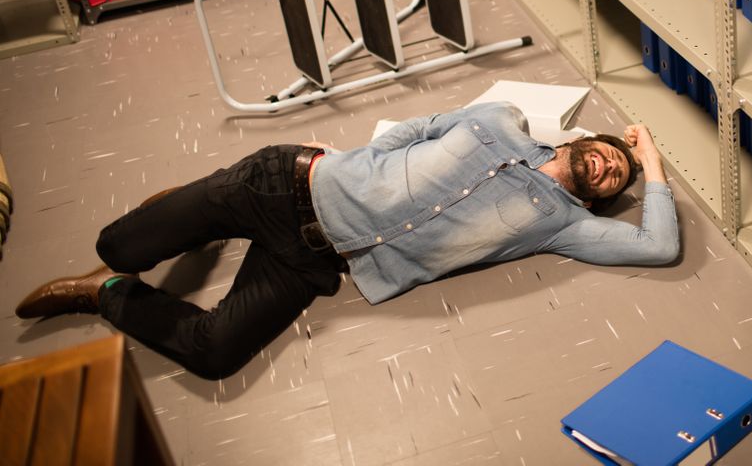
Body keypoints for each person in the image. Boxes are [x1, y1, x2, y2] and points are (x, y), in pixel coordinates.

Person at [15, 101, 679, 379]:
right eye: (608, 154)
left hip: (315, 259)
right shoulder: (502, 120)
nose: (607, 168)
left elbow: (657, 246)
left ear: (600, 193)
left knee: (216, 352)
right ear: (584, 138)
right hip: (285, 183)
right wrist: (351, 163)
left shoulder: (564, 224)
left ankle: (102, 294)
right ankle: (190, 216)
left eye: (616, 178)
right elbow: (414, 130)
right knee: (118, 242)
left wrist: (649, 161)